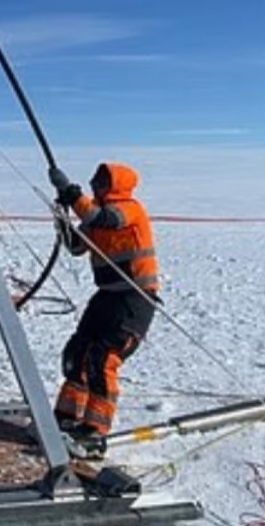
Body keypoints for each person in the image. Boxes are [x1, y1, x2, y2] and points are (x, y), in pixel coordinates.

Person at [48, 162, 160, 451]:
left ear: (114, 184)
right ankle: (66, 417)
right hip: (106, 296)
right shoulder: (94, 216)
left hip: (134, 297)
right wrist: (61, 217)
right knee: (78, 351)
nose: (94, 184)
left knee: (103, 358)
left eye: (100, 180)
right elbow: (76, 246)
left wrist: (71, 194)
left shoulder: (129, 209)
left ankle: (95, 429)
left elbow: (106, 220)